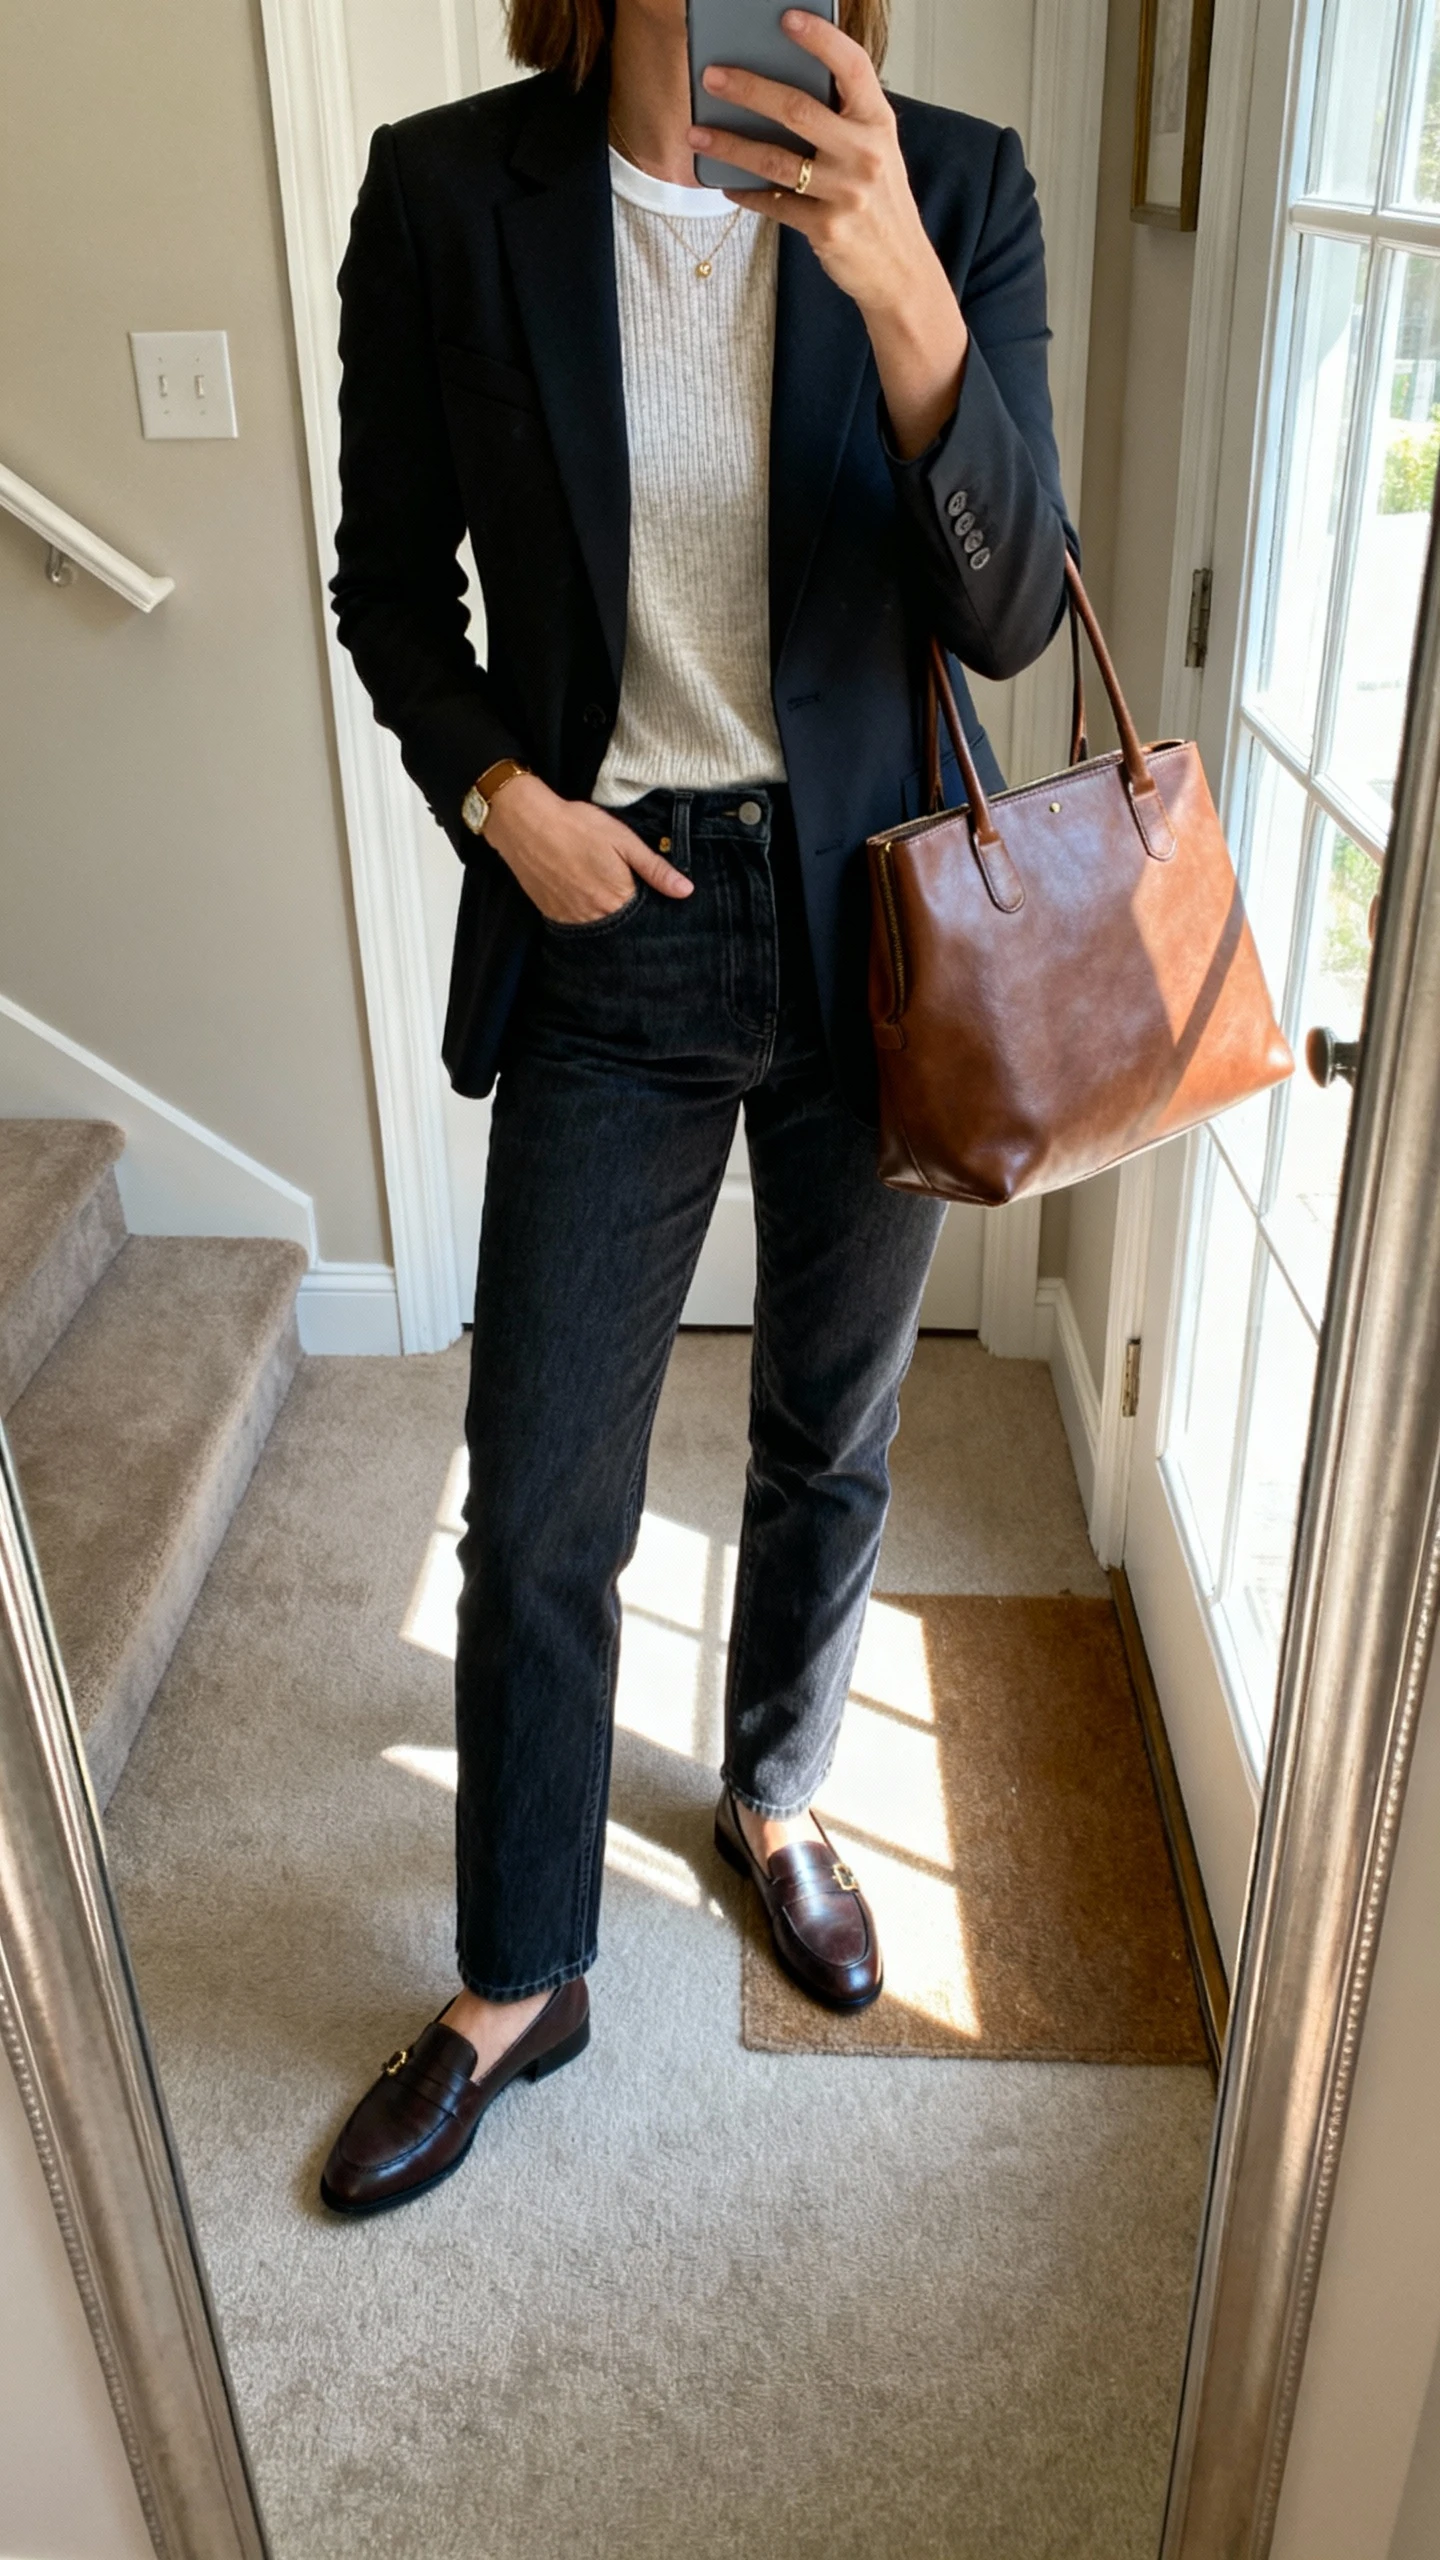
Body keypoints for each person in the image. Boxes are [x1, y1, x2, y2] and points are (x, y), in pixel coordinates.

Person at [320, 0, 1071, 2217]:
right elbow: (389, 579)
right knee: (543, 1490)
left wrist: (901, 289)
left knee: (830, 1429)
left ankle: (776, 1792)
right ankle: (516, 1973)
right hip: (607, 912)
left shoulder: (957, 185)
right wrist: (502, 799)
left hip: (879, 926)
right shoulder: (452, 191)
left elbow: (1015, 610)